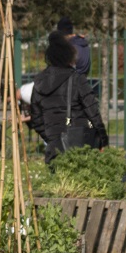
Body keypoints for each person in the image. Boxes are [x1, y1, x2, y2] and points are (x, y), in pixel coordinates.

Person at [28, 32, 105, 163]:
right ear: (69, 56)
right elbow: (93, 111)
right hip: (78, 144)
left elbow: (36, 117)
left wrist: (51, 138)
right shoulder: (77, 79)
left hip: (53, 148)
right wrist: (102, 139)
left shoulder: (39, 82)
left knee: (58, 181)